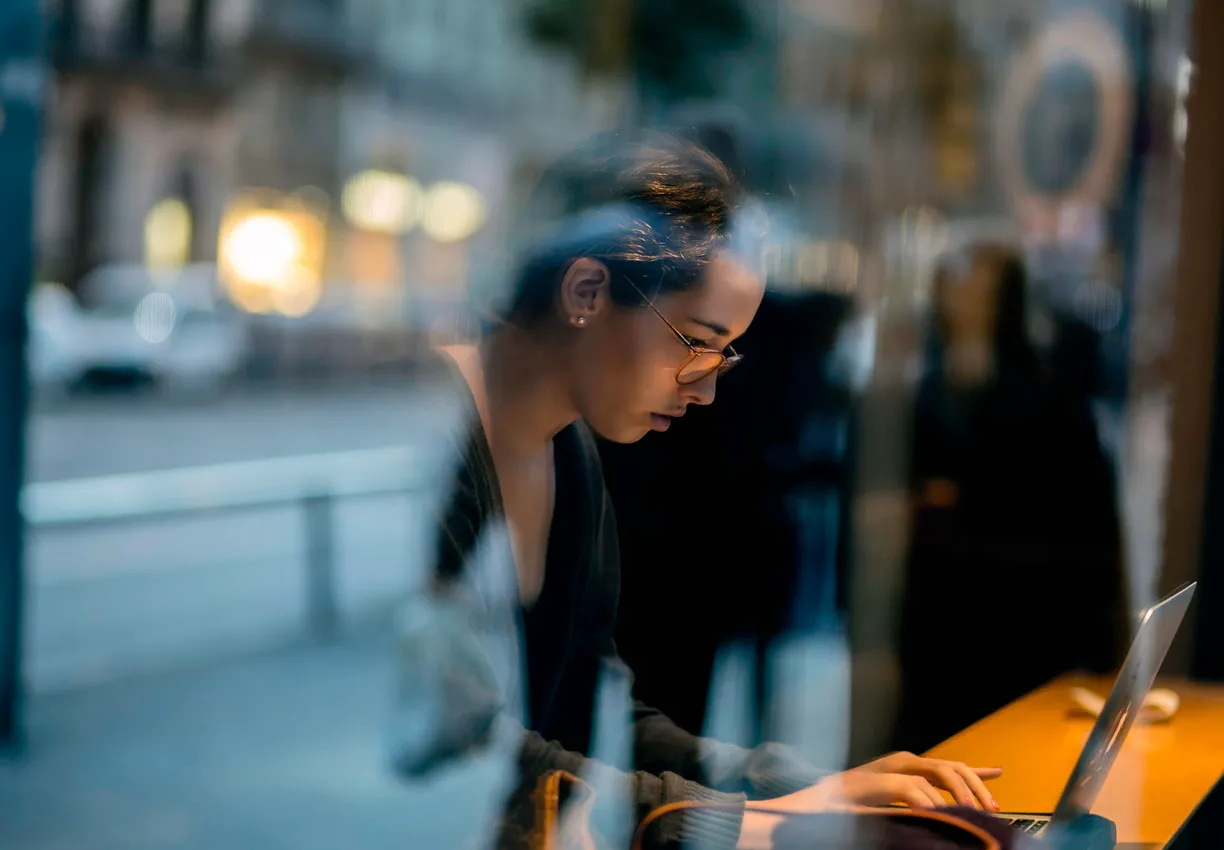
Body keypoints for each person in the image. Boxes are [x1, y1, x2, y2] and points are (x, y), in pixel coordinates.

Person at [389, 133, 1002, 850]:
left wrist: (797, 779)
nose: (708, 389)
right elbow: (476, 749)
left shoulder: (569, 451)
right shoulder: (442, 435)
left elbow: (605, 704)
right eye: (695, 341)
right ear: (586, 291)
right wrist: (772, 814)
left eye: (726, 354)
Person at [894, 242, 1127, 754]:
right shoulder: (921, 396)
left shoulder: (1055, 407)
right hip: (934, 643)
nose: (967, 307)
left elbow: (1089, 549)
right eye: (956, 292)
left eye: (983, 295)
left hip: (1024, 642)